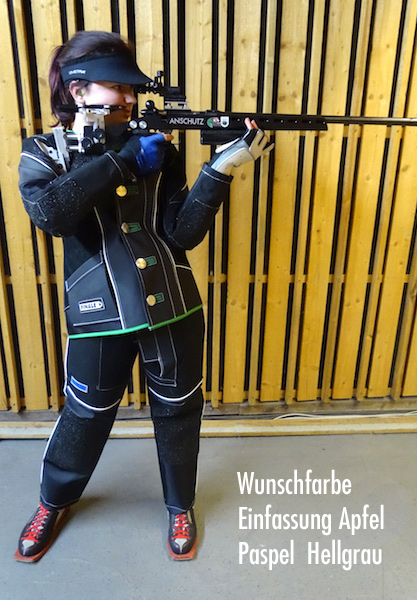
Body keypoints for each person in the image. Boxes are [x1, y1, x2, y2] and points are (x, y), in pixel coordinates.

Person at [14, 30, 273, 563]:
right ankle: (52, 501)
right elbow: (51, 215)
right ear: (79, 90)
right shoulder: (43, 152)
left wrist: (219, 169)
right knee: (85, 415)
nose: (130, 98)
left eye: (134, 88)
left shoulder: (158, 146)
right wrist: (122, 162)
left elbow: (181, 234)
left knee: (179, 413)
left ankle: (180, 505)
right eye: (118, 87)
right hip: (98, 314)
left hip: (173, 306)